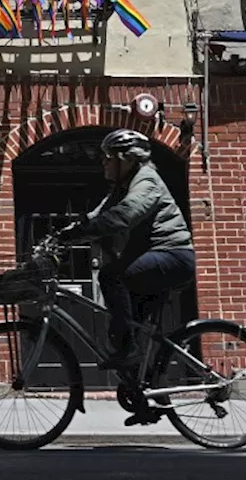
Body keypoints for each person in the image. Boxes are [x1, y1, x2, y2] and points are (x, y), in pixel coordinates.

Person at [54, 128, 195, 371]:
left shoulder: (147, 179)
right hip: (154, 256)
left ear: (127, 159)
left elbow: (125, 214)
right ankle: (146, 384)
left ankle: (129, 351)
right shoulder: (122, 186)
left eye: (108, 157)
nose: (103, 162)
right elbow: (97, 216)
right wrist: (64, 234)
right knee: (129, 327)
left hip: (173, 254)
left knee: (111, 276)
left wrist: (82, 232)